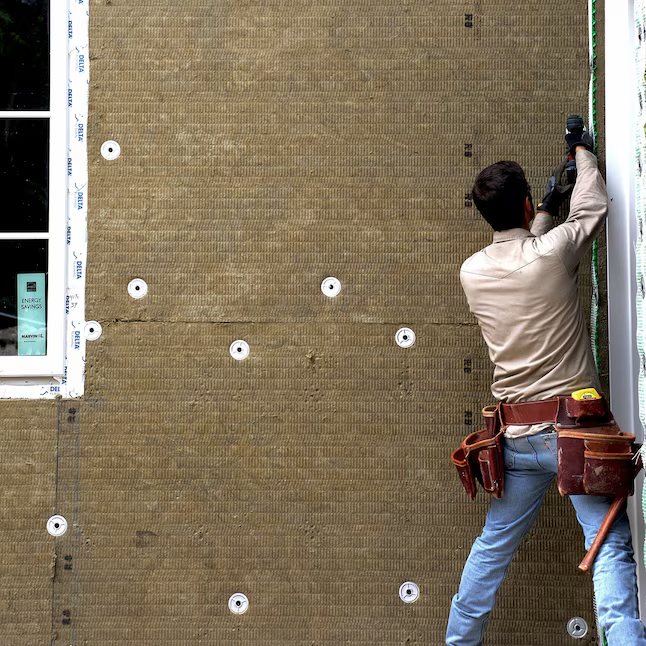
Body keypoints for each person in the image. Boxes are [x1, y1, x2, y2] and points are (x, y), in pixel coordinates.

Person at [445, 120, 646, 645]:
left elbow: (524, 253)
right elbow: (593, 208)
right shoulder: (552, 253)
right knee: (608, 550)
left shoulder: (472, 272)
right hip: (574, 436)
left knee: (491, 549)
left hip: (514, 441)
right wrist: (581, 149)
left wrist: (541, 213)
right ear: (527, 200)